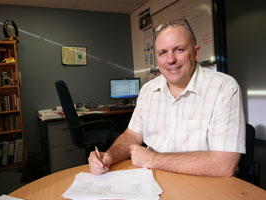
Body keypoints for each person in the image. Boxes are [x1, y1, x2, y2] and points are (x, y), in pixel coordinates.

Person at [88, 19, 245, 177]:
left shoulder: (224, 88)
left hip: (203, 183)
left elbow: (224, 164)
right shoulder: (148, 90)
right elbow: (132, 135)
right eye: (163, 53)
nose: (170, 60)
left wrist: (153, 159)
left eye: (179, 49)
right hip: (152, 180)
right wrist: (109, 156)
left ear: (196, 52)